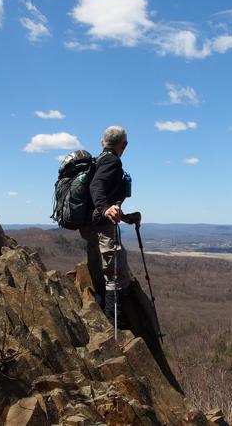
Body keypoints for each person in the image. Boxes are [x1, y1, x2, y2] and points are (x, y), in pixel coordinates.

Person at [79, 125, 140, 329]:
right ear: (124, 145)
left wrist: (126, 217)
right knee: (116, 278)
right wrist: (105, 209)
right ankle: (116, 328)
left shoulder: (98, 161)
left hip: (89, 226)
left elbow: (99, 190)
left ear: (101, 142)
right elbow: (97, 187)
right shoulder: (112, 162)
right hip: (103, 228)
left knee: (98, 272)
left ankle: (99, 321)